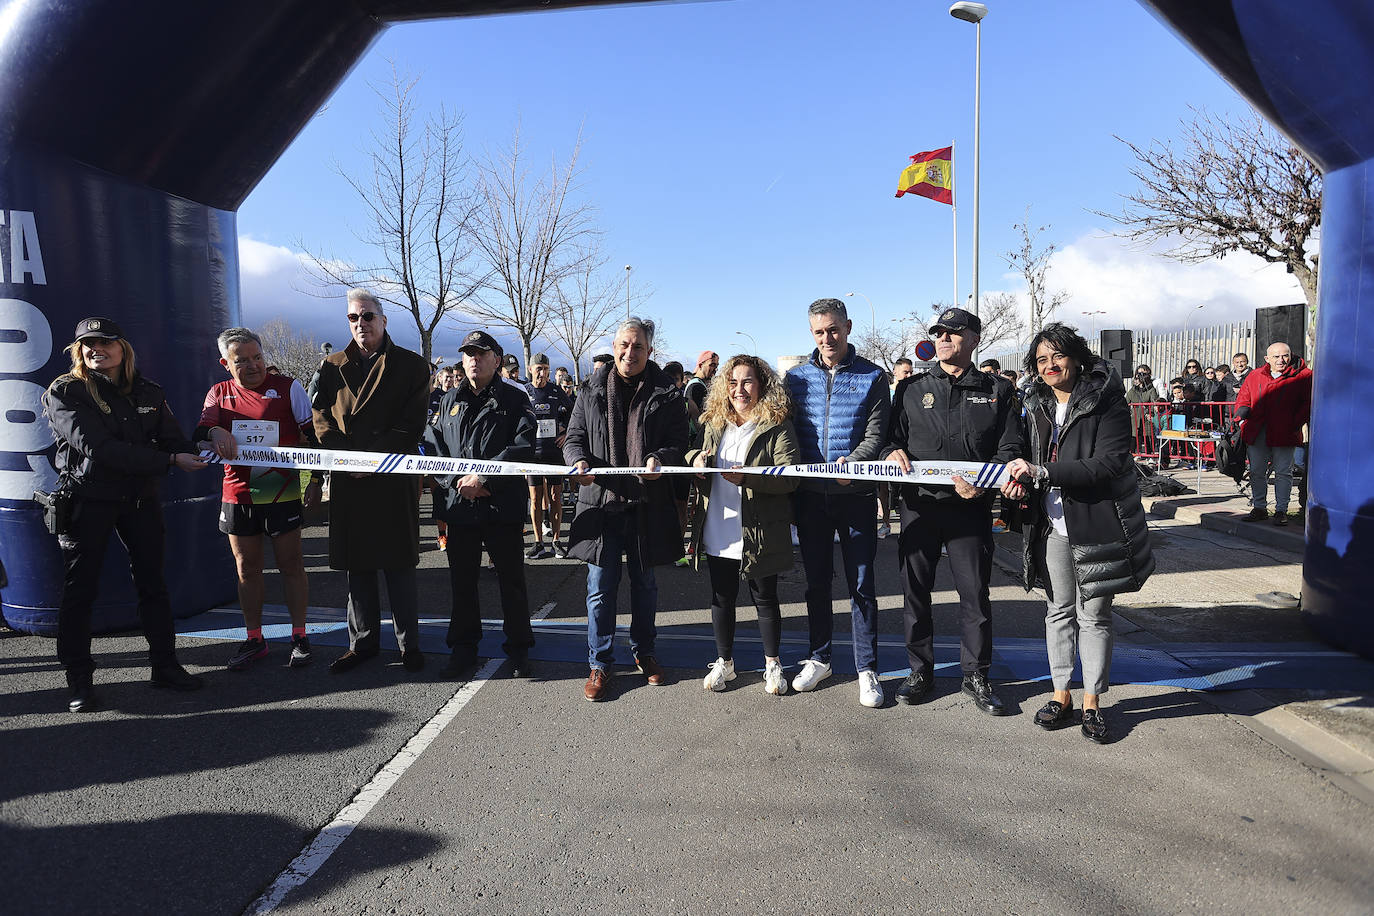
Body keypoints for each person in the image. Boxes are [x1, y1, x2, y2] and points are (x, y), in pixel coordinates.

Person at [999, 322, 1154, 744]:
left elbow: (1108, 463)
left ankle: (1092, 701)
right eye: (1041, 359)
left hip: (1097, 524)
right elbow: (1015, 446)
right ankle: (1060, 694)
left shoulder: (1107, 401)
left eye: (1057, 356)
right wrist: (1016, 471)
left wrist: (1043, 471)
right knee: (1058, 612)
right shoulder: (1033, 401)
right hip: (1049, 526)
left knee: (1095, 617)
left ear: (1076, 356)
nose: (1050, 365)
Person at [42, 317, 208, 712]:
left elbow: (174, 438)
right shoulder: (66, 392)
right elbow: (98, 448)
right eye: (88, 344)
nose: (96, 349)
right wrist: (169, 458)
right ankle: (79, 680)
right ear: (78, 351)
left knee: (154, 584)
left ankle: (165, 666)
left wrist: (207, 437)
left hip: (139, 500)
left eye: (105, 342)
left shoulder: (148, 391)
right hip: (89, 499)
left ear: (123, 348)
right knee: (80, 591)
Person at [883, 306, 1021, 715]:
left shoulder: (997, 391)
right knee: (915, 593)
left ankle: (976, 674)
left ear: (974, 339)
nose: (943, 338)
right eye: (938, 332)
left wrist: (983, 484)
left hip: (969, 509)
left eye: (954, 332)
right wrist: (892, 451)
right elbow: (891, 440)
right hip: (920, 506)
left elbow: (1009, 449)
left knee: (974, 595)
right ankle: (919, 670)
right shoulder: (910, 389)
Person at [564, 317, 688, 701]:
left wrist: (658, 459)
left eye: (637, 347)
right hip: (600, 504)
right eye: (622, 345)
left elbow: (678, 441)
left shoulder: (668, 393)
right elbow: (573, 437)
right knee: (600, 589)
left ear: (649, 351)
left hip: (645, 506)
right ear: (613, 346)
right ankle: (600, 663)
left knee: (645, 586)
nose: (628, 353)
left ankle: (644, 653)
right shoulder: (590, 388)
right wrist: (578, 462)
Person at [313, 289, 431, 674]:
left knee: (398, 566)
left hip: (391, 476)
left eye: (367, 317)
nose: (360, 324)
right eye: (353, 318)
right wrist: (345, 459)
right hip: (349, 477)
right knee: (357, 566)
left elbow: (411, 424)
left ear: (383, 320)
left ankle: (408, 645)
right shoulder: (330, 366)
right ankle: (361, 644)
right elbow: (321, 419)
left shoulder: (412, 366)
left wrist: (373, 460)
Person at [783, 298, 890, 707]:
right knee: (815, 583)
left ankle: (867, 668)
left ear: (847, 327)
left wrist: (857, 462)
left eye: (833, 330)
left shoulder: (873, 377)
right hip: (810, 499)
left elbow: (876, 433)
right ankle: (820, 657)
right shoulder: (795, 378)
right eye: (818, 332)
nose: (827, 338)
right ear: (811, 333)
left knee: (862, 584)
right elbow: (786, 431)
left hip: (856, 495)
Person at [197, 327, 321, 671]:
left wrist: (318, 480)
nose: (253, 366)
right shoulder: (218, 393)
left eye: (258, 357)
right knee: (247, 569)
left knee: (291, 565)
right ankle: (254, 639)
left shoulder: (288, 387)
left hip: (281, 493)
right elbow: (200, 431)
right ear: (226, 363)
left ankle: (299, 636)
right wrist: (214, 431)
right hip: (238, 494)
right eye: (242, 361)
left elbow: (315, 438)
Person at [424, 331, 538, 677]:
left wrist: (484, 479)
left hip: (500, 505)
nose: (472, 359)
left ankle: (518, 649)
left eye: (480, 353)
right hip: (461, 506)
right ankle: (463, 648)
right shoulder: (448, 400)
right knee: (462, 582)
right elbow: (433, 446)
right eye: (468, 353)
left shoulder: (515, 399)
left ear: (497, 359)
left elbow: (522, 446)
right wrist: (457, 483)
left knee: (511, 582)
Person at [687, 354, 800, 694]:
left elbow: (790, 475)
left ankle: (772, 664)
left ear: (762, 385)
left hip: (759, 527)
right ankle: (725, 662)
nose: (740, 389)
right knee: (722, 597)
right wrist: (698, 459)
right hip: (719, 523)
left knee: (765, 597)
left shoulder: (776, 424)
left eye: (748, 381)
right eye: (733, 382)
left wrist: (747, 479)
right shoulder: (714, 421)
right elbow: (691, 453)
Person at [1235, 342, 1312, 525]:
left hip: (1285, 432)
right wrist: (1242, 416)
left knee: (1283, 472)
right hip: (1257, 430)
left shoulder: (1304, 376)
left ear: (1291, 355)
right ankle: (1259, 507)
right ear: (1267, 359)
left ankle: (1281, 511)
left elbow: (1307, 403)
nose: (1281, 360)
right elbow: (1243, 398)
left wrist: (1294, 423)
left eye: (1285, 355)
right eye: (1276, 356)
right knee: (1256, 471)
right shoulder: (1255, 375)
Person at [524, 352, 573, 559]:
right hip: (533, 454)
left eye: (546, 369)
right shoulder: (524, 391)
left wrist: (566, 433)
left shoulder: (555, 390)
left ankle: (556, 541)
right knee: (535, 499)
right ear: (530, 370)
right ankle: (538, 543)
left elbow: (575, 412)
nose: (543, 373)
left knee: (555, 497)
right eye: (539, 369)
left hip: (553, 452)